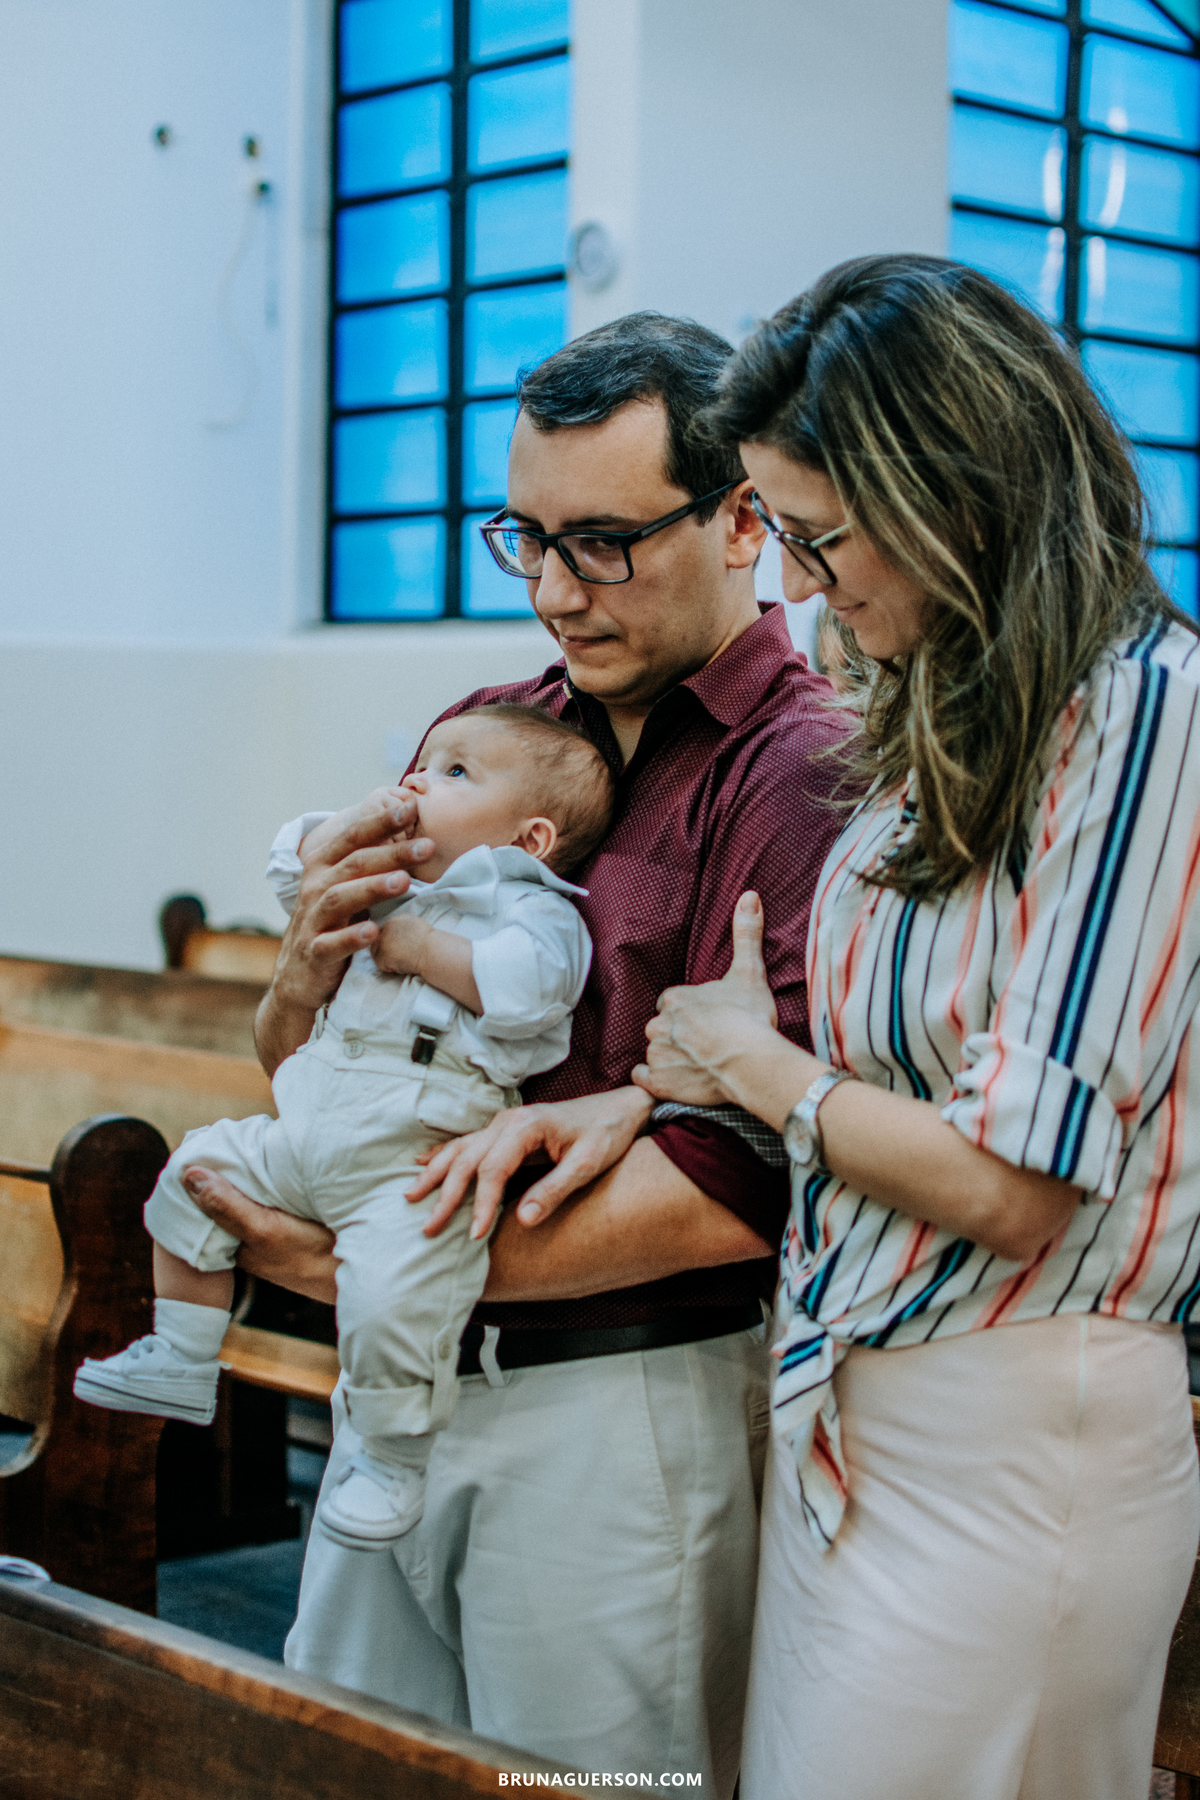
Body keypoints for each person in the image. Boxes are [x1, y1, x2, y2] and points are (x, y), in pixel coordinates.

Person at [182, 311, 851, 1792]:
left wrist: (343, 1261)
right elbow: (303, 1056)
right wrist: (306, 959)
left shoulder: (804, 771)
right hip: (401, 1368)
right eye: (526, 538)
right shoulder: (486, 735)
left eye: (603, 542)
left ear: (744, 517)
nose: (553, 590)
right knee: (348, 1766)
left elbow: (734, 1181)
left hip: (615, 1405)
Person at [626, 256, 1200, 1800]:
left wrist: (759, 1065)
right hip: (847, 1398)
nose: (803, 588)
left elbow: (1016, 1184)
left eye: (817, 538)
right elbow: (881, 1076)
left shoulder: (1149, 710)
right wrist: (667, 1089)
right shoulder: (931, 695)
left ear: (952, 490)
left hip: (1019, 1433)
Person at [75, 705, 610, 1550]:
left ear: (532, 838)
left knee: (398, 1291)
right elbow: (295, 872)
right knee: (194, 1169)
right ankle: (179, 1354)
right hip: (311, 1124)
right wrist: (352, 830)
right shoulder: (394, 877)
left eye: (456, 774)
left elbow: (533, 988)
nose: (419, 783)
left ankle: (394, 1456)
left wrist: (420, 949)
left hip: (414, 1149)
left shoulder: (534, 908)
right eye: (423, 765)